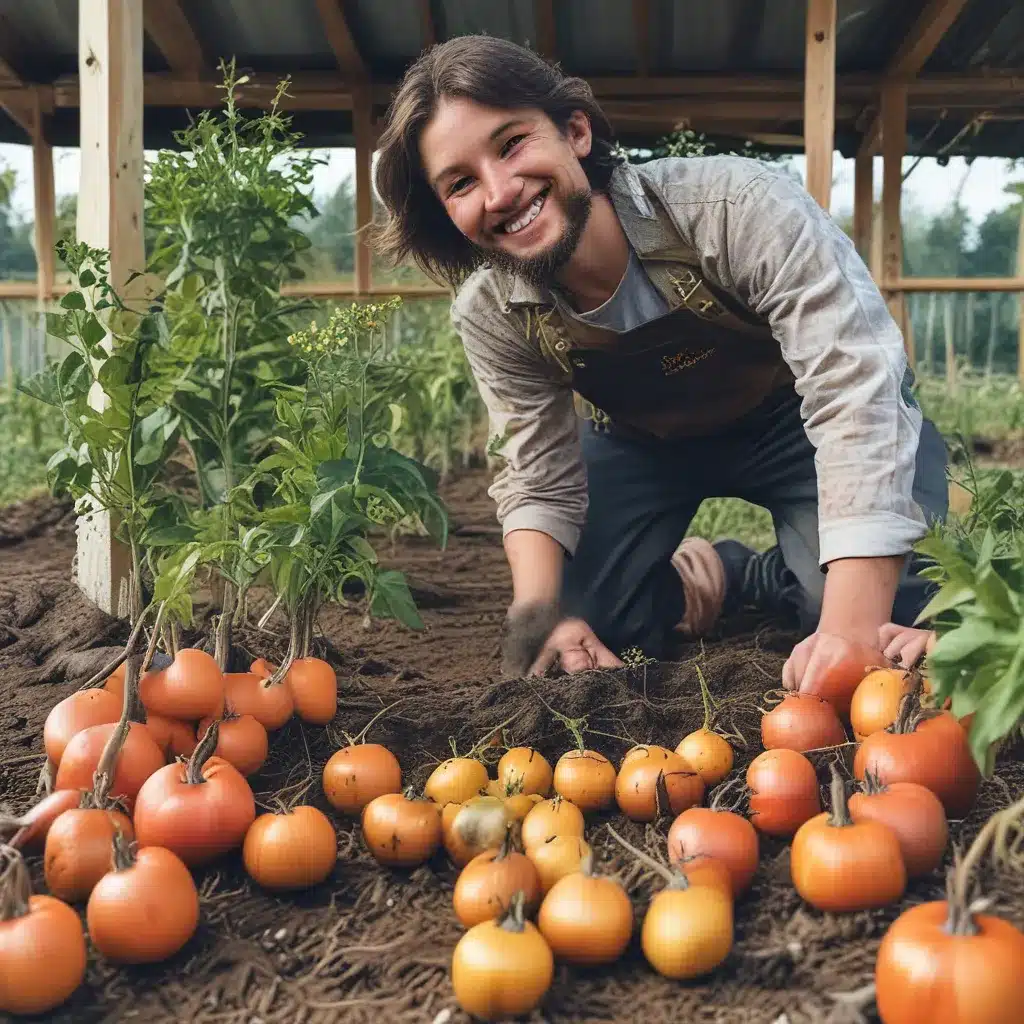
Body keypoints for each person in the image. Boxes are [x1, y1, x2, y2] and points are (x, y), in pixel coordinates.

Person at [371, 35, 949, 692]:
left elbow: (855, 392)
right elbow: (536, 474)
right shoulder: (491, 312)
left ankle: (775, 574)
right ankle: (709, 580)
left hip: (800, 423)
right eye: (462, 183)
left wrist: (848, 629)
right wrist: (540, 615)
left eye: (512, 144)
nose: (500, 191)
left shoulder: (737, 209)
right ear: (446, 214)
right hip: (642, 441)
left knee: (886, 613)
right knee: (585, 633)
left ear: (576, 132)